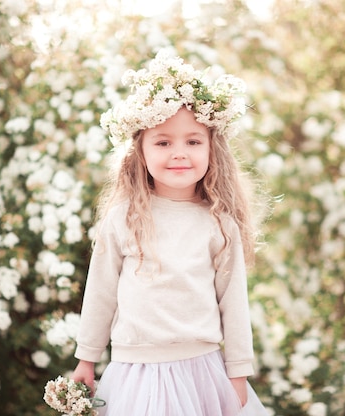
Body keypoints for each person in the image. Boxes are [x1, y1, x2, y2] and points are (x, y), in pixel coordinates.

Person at [71, 48, 269, 416]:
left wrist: (238, 371)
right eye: (163, 142)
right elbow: (100, 292)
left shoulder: (218, 224)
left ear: (212, 148)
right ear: (140, 152)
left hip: (202, 370)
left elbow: (233, 301)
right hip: (136, 372)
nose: (179, 152)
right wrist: (87, 358)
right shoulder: (123, 218)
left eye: (193, 141)